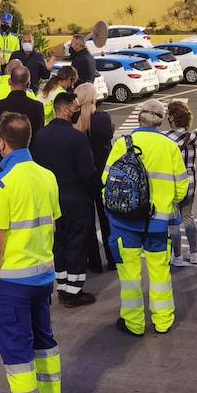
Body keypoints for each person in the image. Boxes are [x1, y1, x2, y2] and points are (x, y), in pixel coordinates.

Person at [0, 113, 62, 393]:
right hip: (42, 277)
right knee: (45, 344)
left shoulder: (1, 184)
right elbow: (52, 226)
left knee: (18, 357)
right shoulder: (47, 176)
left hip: (11, 282)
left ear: (1, 142)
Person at [103, 98, 188, 337]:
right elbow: (182, 188)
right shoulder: (170, 147)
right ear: (161, 121)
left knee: (129, 275)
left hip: (124, 221)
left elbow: (106, 180)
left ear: (139, 117)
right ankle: (163, 321)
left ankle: (134, 323)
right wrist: (167, 203)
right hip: (158, 222)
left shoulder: (122, 144)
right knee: (160, 273)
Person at [30, 89, 99, 306]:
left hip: (50, 200)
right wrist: (94, 193)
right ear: (68, 110)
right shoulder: (77, 138)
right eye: (75, 108)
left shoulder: (40, 136)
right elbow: (87, 172)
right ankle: (73, 291)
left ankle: (61, 286)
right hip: (75, 200)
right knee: (76, 243)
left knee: (58, 243)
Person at [75, 83, 116, 272]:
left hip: (83, 177)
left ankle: (94, 262)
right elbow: (108, 137)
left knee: (88, 222)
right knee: (107, 220)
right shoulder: (101, 119)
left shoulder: (75, 123)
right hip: (103, 175)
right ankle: (112, 259)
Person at [164, 100, 197, 267]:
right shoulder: (193, 137)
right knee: (188, 217)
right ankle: (194, 254)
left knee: (174, 221)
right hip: (190, 181)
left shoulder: (166, 137)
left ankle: (177, 256)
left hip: (173, 183)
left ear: (172, 118)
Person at [0, 63, 45, 136]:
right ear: (28, 84)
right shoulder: (37, 107)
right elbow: (39, 130)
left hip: (4, 143)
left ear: (9, 81)